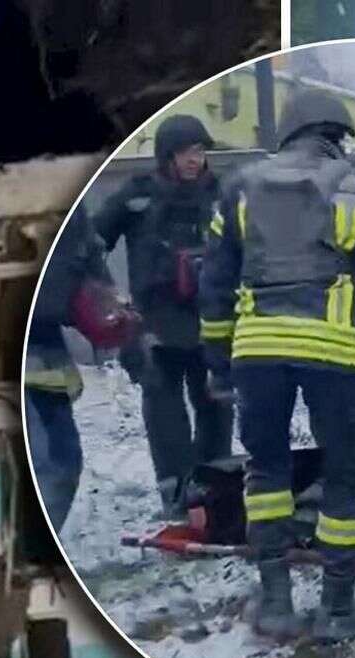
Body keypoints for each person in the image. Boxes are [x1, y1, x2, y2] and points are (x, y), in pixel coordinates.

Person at [199, 89, 355, 640]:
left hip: (258, 351)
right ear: (337, 136)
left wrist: (218, 361)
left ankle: (276, 604)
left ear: (288, 134)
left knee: (267, 473)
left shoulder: (238, 189)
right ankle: (337, 610)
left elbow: (214, 281)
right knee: (346, 478)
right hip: (337, 350)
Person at [93, 113, 230, 519]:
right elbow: (89, 242)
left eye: (201, 152)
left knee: (216, 412)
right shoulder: (139, 196)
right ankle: (176, 497)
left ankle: (215, 494)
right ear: (168, 155)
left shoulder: (222, 194)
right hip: (157, 328)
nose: (195, 160)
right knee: (166, 419)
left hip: (212, 325)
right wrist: (111, 301)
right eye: (187, 152)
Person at [24, 210, 132, 527]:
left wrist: (110, 311)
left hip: (42, 359)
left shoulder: (71, 219)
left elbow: (92, 267)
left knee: (59, 465)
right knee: (51, 466)